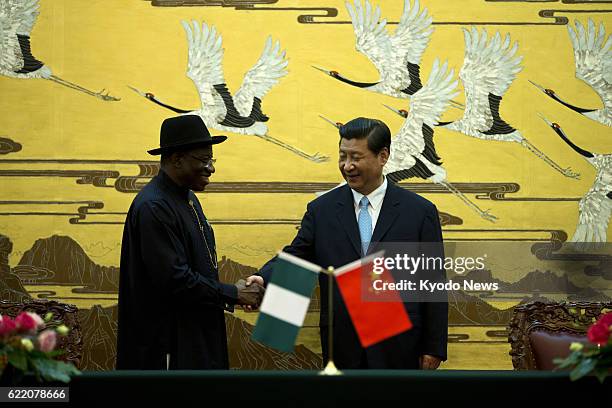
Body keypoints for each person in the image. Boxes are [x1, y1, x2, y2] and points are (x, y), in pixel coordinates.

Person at [246, 117, 448, 369]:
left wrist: (433, 346)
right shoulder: (323, 210)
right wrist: (263, 277)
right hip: (343, 343)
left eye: (356, 157)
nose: (347, 165)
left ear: (383, 156)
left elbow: (433, 282)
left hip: (401, 343)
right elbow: (298, 255)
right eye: (343, 156)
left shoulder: (419, 212)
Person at [117, 114, 263, 370]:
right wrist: (234, 294)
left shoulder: (186, 198)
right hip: (168, 349)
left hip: (194, 341)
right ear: (176, 159)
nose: (211, 168)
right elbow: (176, 280)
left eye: (212, 159)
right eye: (204, 159)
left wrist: (235, 293)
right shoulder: (154, 206)